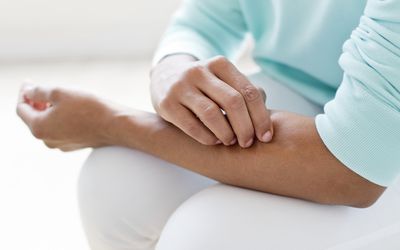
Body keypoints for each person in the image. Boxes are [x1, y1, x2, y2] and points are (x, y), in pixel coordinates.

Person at [16, 0, 400, 249]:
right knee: (114, 180)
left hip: (382, 147)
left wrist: (112, 122)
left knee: (207, 237)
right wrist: (172, 69)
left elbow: (353, 165)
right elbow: (208, 16)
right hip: (306, 89)